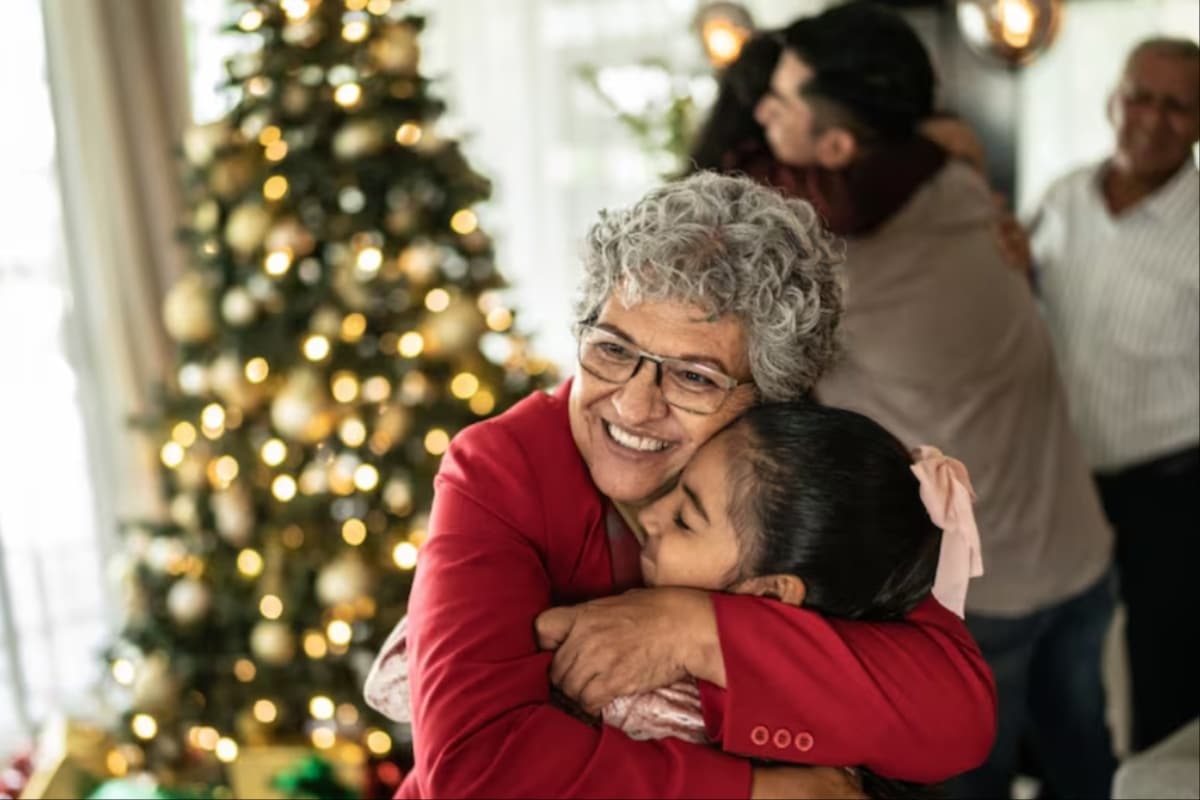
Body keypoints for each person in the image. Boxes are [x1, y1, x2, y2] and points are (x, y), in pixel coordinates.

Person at [370, 171, 997, 798]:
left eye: (694, 377)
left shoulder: (791, 474)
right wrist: (757, 793)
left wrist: (691, 630)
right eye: (613, 350)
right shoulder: (503, 467)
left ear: (770, 397)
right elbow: (475, 771)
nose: (635, 406)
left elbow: (952, 719)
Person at [739, 3, 1117, 797]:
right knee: (1084, 756)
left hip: (986, 595)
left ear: (838, 146)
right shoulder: (957, 181)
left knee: (968, 779)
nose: (760, 112)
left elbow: (720, 182)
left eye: (780, 100)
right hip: (1079, 549)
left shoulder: (829, 263)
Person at [1024, 37, 1199, 753]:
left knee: (1169, 665)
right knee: (1059, 648)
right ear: (1113, 101)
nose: (1152, 119)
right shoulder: (1064, 196)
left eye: (1177, 106)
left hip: (1171, 488)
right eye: (1141, 97)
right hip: (1066, 480)